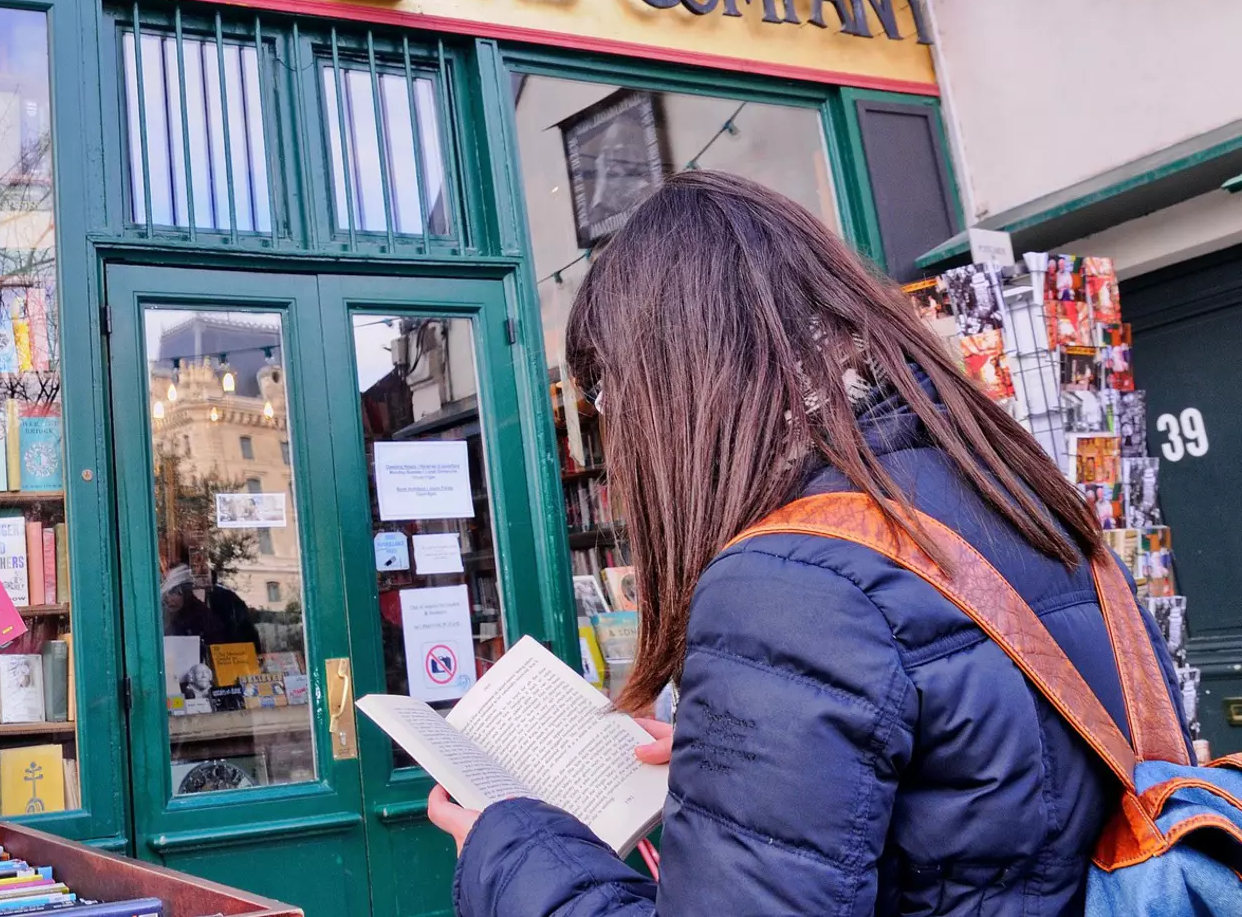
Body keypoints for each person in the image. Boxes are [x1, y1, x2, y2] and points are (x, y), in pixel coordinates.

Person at [430, 171, 1186, 916]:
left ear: (674, 393)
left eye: (613, 402)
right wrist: (733, 768)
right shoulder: (1017, 495)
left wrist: (513, 850)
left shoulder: (785, 580)